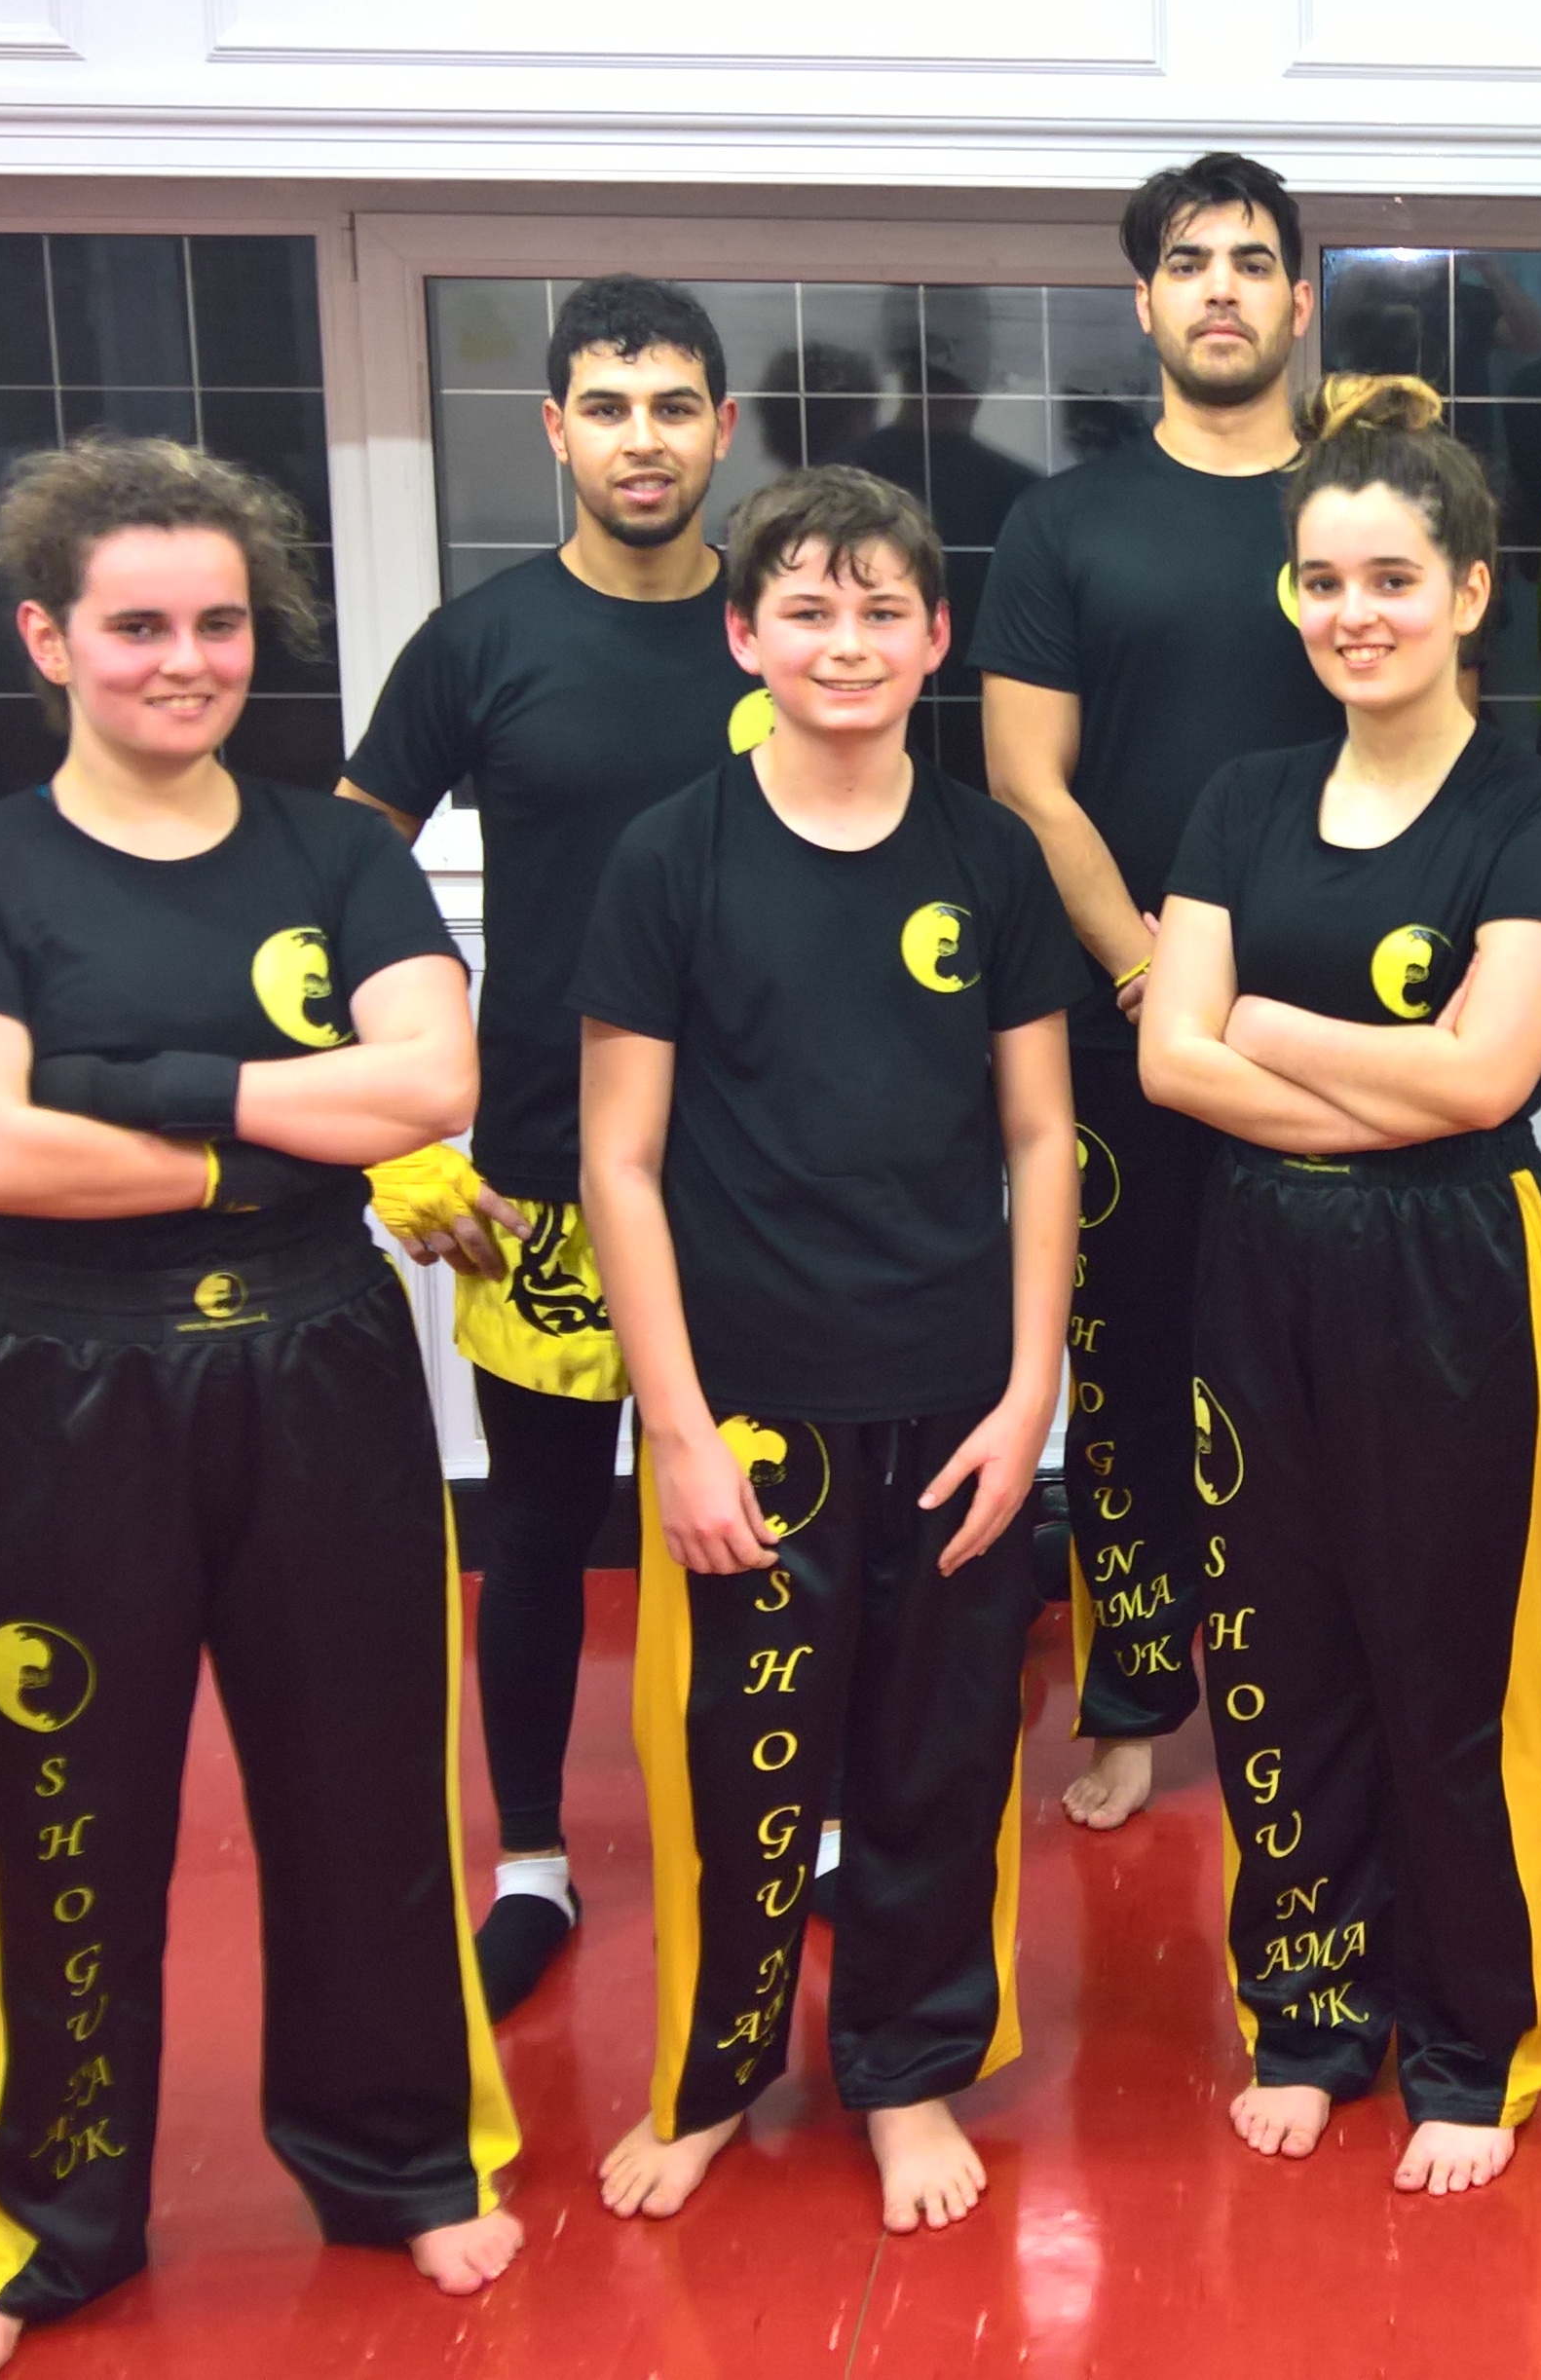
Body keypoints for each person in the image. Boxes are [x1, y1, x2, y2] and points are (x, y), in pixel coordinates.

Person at [0, 438, 519, 2380]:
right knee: (59, 1813)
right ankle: (43, 2222)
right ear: (48, 638)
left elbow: (433, 1088)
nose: (184, 660)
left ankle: (402, 2161)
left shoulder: (339, 856)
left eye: (220, 623)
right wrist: (282, 1121)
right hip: (63, 1379)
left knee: (368, 1793)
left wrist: (145, 1088)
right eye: (138, 624)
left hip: (324, 1357)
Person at [564, 467, 1089, 2234]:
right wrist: (679, 1427)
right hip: (751, 1404)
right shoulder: (672, 856)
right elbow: (619, 1159)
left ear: (938, 639)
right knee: (739, 1759)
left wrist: (1030, 1392)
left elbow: (1040, 1135)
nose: (845, 643)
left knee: (942, 1752)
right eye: (806, 609)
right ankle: (717, 2074)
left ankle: (906, 2071)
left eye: (881, 612)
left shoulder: (990, 857)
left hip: (953, 1394)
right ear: (744, 635)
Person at [1141, 377, 1541, 2195]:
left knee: (1450, 1661)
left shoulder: (1532, 805)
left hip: (1458, 1267)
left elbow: (1489, 1080)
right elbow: (1170, 1062)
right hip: (1259, 1262)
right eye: (1324, 581)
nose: (1356, 613)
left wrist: (1265, 1024)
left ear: (1471, 591)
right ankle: (1314, 2011)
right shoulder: (1243, 799)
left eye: (1394, 578)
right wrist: (1362, 1079)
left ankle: (1473, 2037)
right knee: (1281, 1648)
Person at [335, 274, 761, 2011]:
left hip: (765, 1170)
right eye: (607, 406)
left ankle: (789, 1824)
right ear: (556, 430)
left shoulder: (787, 627)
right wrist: (392, 1121)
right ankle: (529, 1855)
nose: (641, 440)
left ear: (723, 428)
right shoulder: (482, 642)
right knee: (536, 1526)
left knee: (775, 1510)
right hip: (538, 1166)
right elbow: (335, 877)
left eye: (672, 407)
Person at [980, 155, 1346, 1834]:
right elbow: (1026, 780)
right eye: (1190, 262)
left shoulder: (1358, 518)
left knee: (1317, 1379)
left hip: (1337, 1030)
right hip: (1120, 1026)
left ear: (1300, 300)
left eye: (1253, 261)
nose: (1221, 288)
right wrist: (1146, 969)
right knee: (1129, 1377)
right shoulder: (1065, 526)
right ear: (1143, 302)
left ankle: (1322, 1683)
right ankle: (1133, 1693)